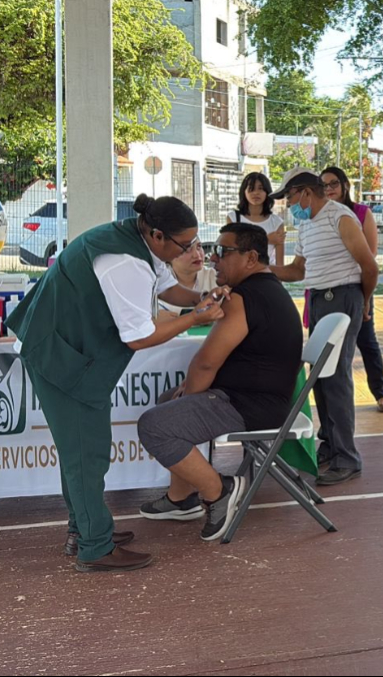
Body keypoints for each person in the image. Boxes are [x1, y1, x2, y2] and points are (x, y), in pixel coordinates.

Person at [5, 195, 224, 572]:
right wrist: (195, 319)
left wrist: (201, 299)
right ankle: (95, 546)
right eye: (185, 245)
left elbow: (167, 290)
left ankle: (84, 529)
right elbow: (139, 337)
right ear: (157, 235)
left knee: (82, 451)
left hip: (67, 352)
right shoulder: (124, 262)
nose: (191, 252)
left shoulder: (136, 242)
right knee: (86, 456)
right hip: (60, 358)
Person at [136, 224, 303, 541]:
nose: (213, 258)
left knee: (155, 425)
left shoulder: (244, 298)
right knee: (166, 401)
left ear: (251, 258)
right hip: (260, 400)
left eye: (222, 252)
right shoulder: (267, 291)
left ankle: (219, 491)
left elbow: (206, 362)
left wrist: (187, 399)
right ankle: (180, 499)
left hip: (251, 406)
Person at [270, 171, 379, 486]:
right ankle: (330, 447)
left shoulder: (340, 218)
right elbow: (297, 269)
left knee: (336, 378)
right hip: (317, 299)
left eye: (289, 198)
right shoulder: (306, 225)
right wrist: (264, 270)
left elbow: (369, 267)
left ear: (305, 193)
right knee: (319, 378)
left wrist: (364, 301)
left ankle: (347, 457)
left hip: (343, 297)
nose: (289, 205)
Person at [322, 166, 383, 413]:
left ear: (344, 186)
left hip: (356, 289)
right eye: (324, 185)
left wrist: (365, 297)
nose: (329, 189)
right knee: (329, 347)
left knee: (366, 340)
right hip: (327, 292)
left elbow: (369, 256)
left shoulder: (360, 213)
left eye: (333, 184)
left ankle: (380, 392)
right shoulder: (319, 216)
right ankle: (335, 403)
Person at [229, 172, 286, 265]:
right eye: (251, 189)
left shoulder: (277, 222)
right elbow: (232, 248)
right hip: (240, 275)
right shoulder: (233, 218)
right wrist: (266, 239)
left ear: (267, 192)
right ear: (244, 191)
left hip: (266, 275)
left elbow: (280, 265)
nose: (256, 193)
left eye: (260, 188)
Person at [157, 242, 217, 317]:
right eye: (186, 249)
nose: (197, 255)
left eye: (199, 247)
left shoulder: (214, 277)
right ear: (168, 255)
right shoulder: (157, 280)